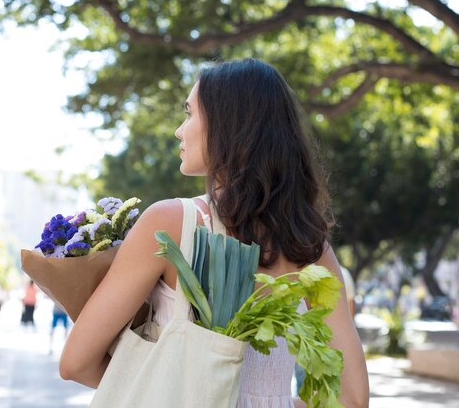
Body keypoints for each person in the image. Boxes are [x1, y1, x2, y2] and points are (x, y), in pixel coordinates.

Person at [60, 59, 370, 407]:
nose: (180, 130)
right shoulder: (310, 248)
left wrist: (172, 386)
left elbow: (75, 363)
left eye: (190, 113)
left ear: (229, 126)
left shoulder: (171, 224)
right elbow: (352, 399)